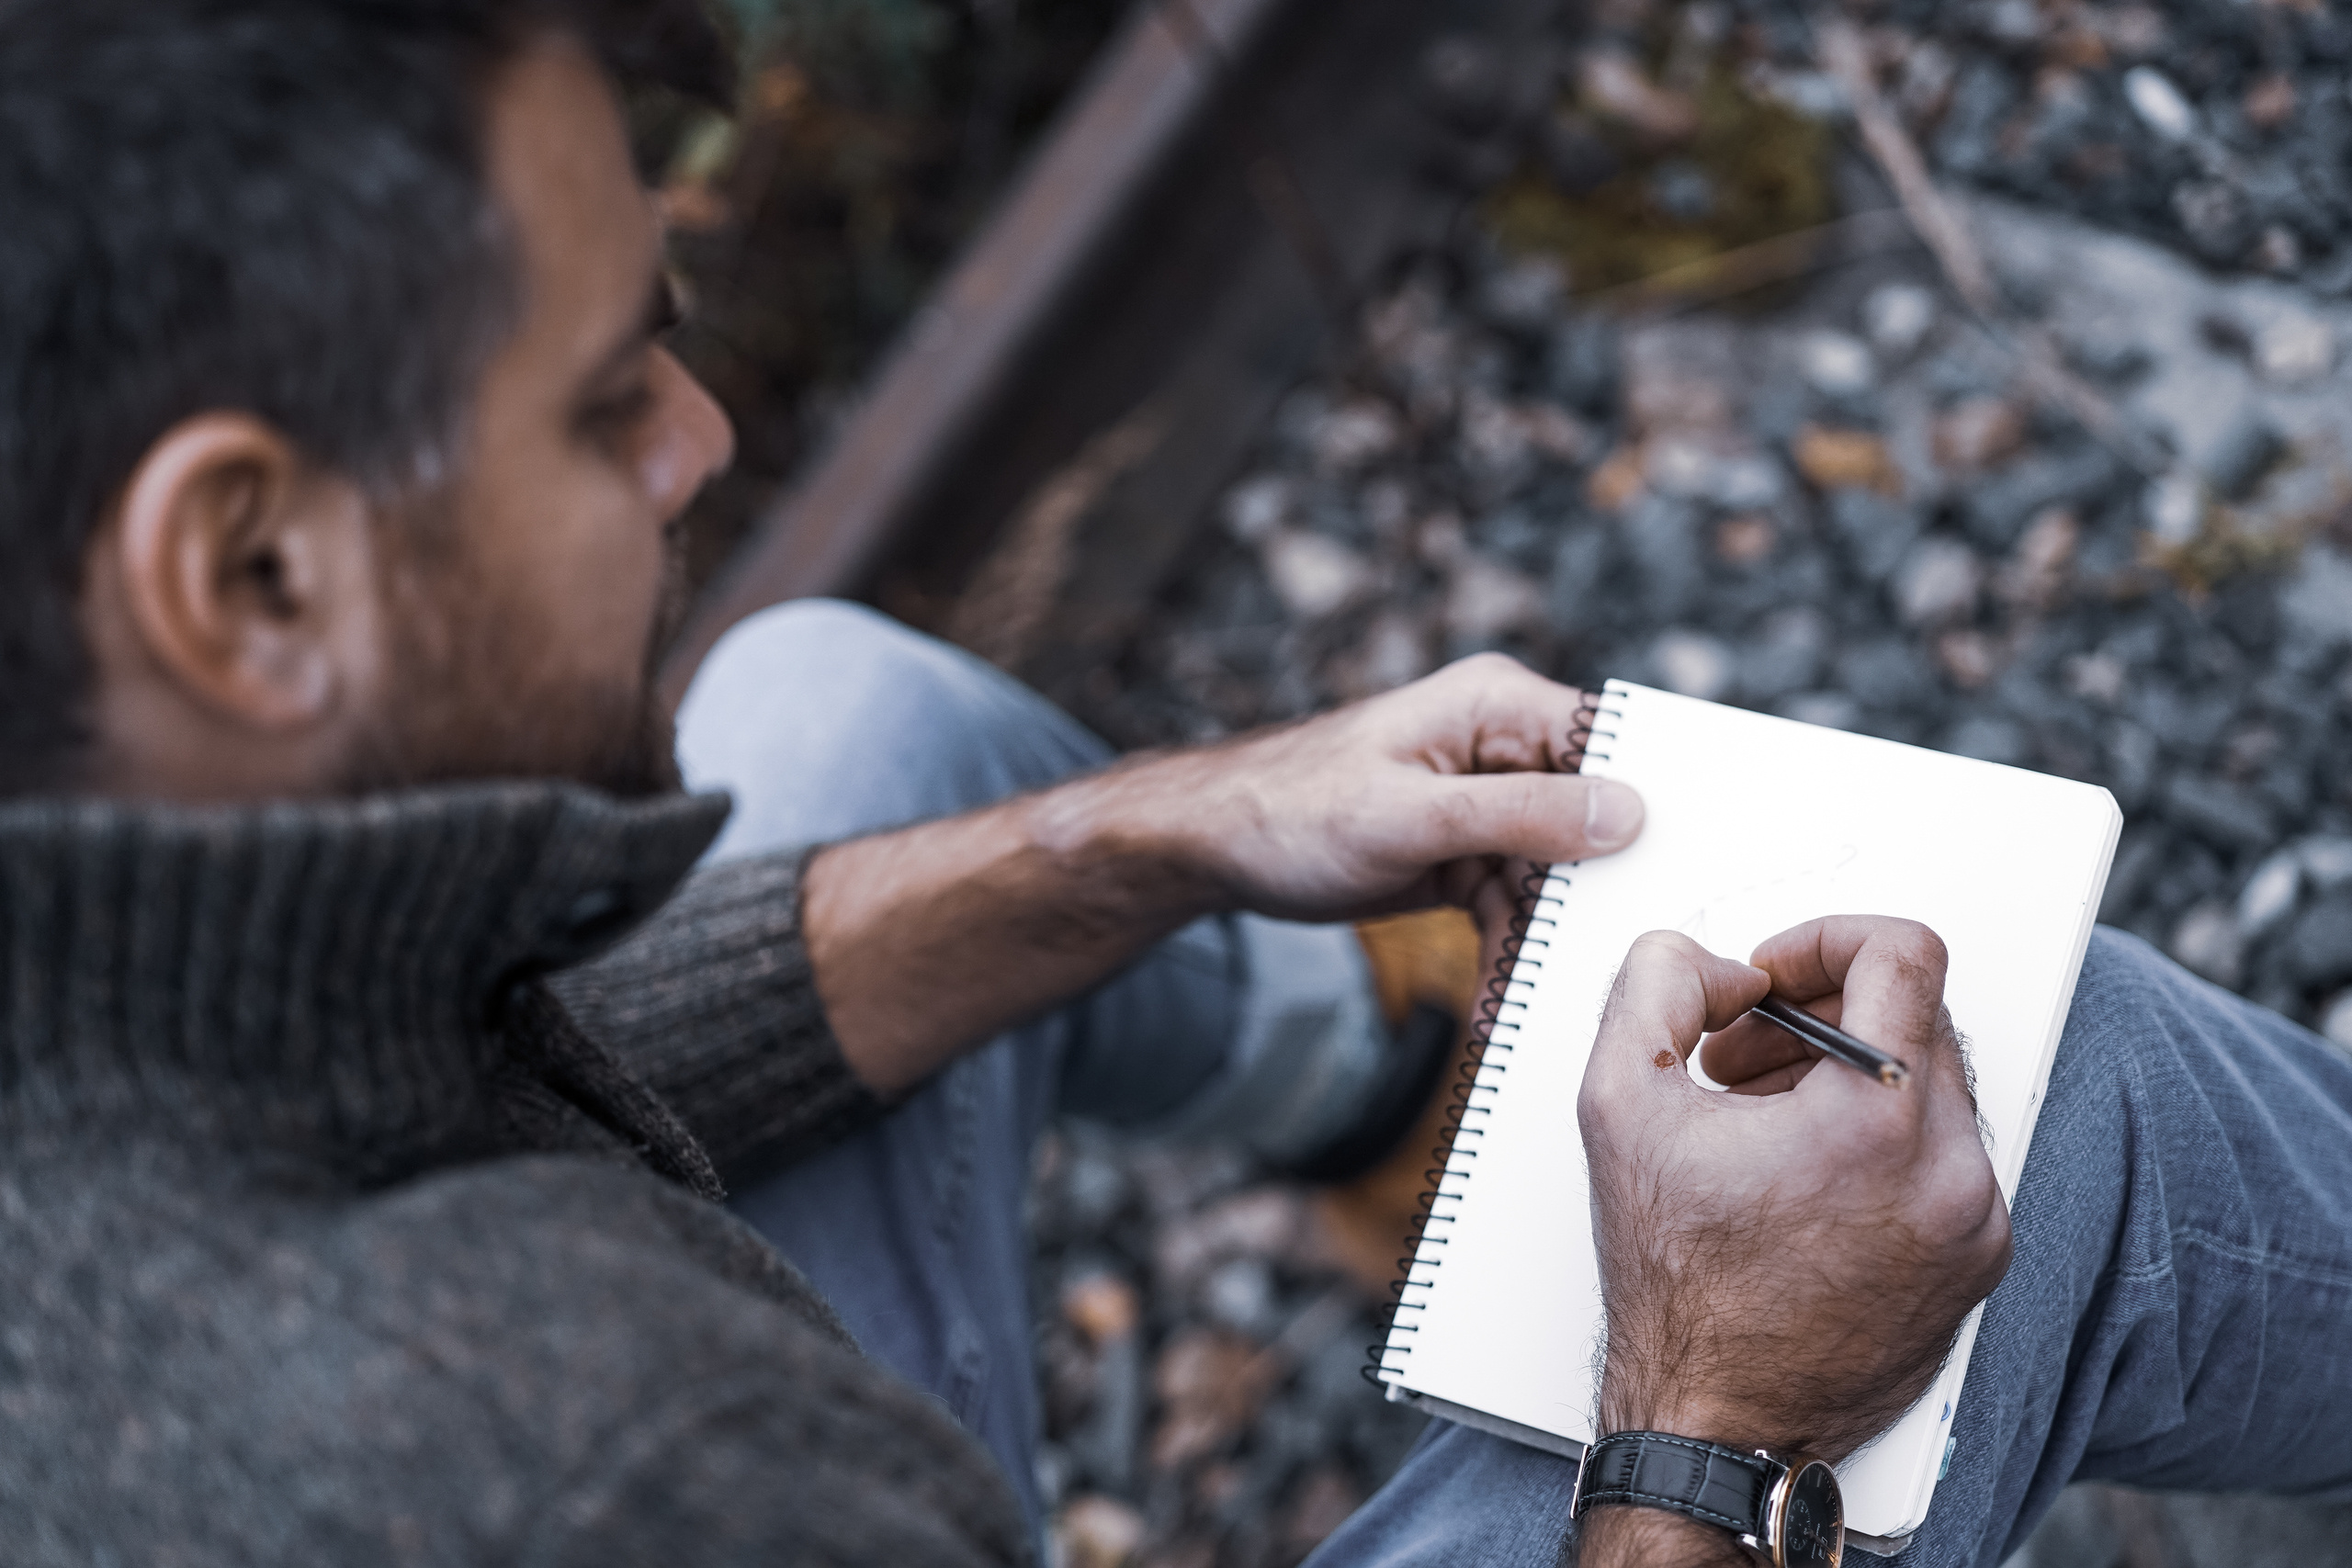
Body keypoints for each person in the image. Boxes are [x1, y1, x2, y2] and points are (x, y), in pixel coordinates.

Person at [0, 3, 2344, 1565]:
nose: (700, 441)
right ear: (249, 568)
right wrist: (1714, 1426)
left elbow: (521, 1052)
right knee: (2041, 1088)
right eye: (603, 395)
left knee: (835, 711)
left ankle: (1381, 1090)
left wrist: (1149, 830)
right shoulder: (591, 1467)